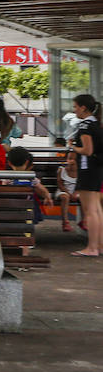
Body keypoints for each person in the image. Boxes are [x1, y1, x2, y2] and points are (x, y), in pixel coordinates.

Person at [68, 94, 102, 256]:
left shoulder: (85, 126)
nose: (74, 110)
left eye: (75, 107)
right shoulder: (96, 123)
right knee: (96, 209)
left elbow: (87, 150)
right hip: (96, 169)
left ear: (83, 107)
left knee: (90, 211)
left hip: (87, 169)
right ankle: (99, 245)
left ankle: (92, 248)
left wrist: (73, 148)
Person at [57, 150, 81, 232]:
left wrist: (76, 192)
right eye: (70, 158)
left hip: (76, 192)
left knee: (85, 197)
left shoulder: (81, 171)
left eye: (75, 159)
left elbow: (81, 184)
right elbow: (60, 184)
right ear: (66, 159)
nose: (72, 161)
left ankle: (85, 220)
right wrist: (68, 193)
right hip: (63, 190)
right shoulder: (62, 169)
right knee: (65, 197)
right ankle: (65, 222)